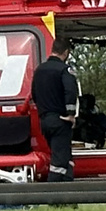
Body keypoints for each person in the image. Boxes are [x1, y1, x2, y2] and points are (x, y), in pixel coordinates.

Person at [32, 36, 80, 181]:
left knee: (66, 158)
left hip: (45, 121)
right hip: (60, 120)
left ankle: (68, 199)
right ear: (65, 53)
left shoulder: (39, 70)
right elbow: (71, 91)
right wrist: (71, 114)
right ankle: (52, 196)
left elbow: (34, 94)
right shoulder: (64, 70)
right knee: (59, 162)